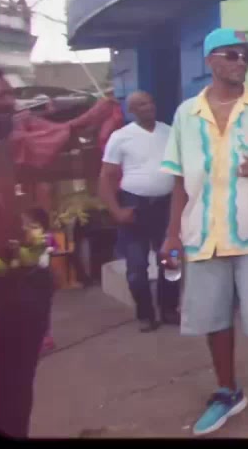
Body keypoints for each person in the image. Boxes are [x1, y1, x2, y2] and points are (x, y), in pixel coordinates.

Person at [159, 29, 248, 435]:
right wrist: (172, 234)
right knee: (214, 317)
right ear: (210, 60)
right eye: (232, 55)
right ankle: (228, 391)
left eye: (246, 56)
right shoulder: (186, 114)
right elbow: (177, 179)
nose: (241, 62)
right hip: (202, 234)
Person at [0, 65, 54, 438]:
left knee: (16, 389)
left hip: (19, 285)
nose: (9, 103)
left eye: (10, 94)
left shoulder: (4, 146)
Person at [98, 90, 180, 332]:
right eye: (141, 104)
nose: (149, 107)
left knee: (170, 261)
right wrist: (116, 211)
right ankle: (145, 315)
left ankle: (169, 309)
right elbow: (106, 177)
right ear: (131, 111)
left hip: (166, 206)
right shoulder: (120, 137)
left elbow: (180, 172)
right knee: (136, 267)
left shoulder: (169, 132)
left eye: (150, 102)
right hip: (134, 207)